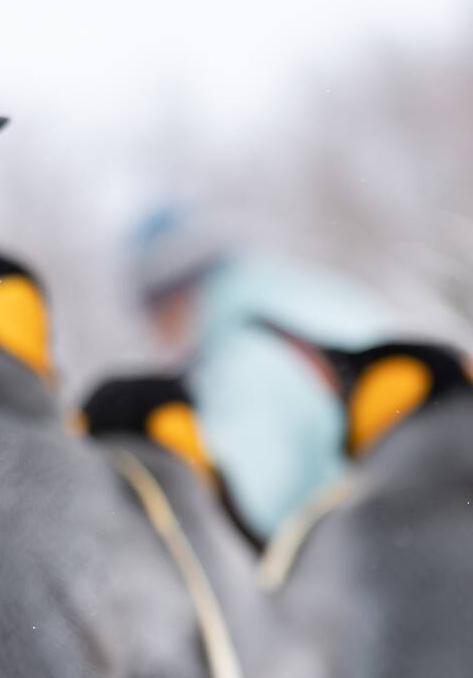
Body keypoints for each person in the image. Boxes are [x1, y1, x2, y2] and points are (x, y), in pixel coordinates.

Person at [132, 207, 392, 542]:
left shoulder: (245, 354)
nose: (159, 337)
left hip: (378, 556)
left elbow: (244, 508)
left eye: (155, 318)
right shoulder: (311, 296)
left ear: (174, 296)